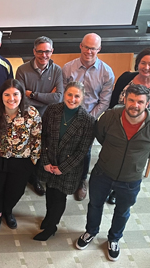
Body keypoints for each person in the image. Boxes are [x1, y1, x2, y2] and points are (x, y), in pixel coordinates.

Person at [76, 85, 150, 261]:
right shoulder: (110, 116)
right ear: (125, 99)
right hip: (103, 172)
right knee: (95, 204)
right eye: (131, 100)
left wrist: (135, 160)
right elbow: (100, 136)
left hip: (131, 178)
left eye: (140, 102)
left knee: (123, 210)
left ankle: (114, 238)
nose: (135, 105)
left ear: (147, 104)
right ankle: (91, 231)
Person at [33, 82, 95, 241]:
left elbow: (82, 150)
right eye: (69, 94)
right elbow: (43, 137)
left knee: (59, 198)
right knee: (50, 193)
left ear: (82, 98)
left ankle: (51, 227)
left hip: (68, 168)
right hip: (50, 161)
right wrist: (45, 161)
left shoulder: (88, 121)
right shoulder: (52, 110)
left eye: (76, 96)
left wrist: (62, 168)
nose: (72, 99)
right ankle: (48, 218)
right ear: (64, 94)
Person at [106, 47, 150, 204]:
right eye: (143, 63)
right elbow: (112, 104)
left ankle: (118, 190)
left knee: (131, 161)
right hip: (118, 127)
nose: (146, 67)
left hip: (143, 134)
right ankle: (107, 182)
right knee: (111, 158)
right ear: (138, 63)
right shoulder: (125, 78)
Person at [0, 79, 41, 236]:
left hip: (21, 161)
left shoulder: (32, 114)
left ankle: (7, 211)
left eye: (15, 94)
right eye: (6, 94)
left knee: (16, 191)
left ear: (22, 95)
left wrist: (34, 161)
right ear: (1, 96)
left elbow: (37, 138)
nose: (11, 98)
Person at [62, 33, 115, 201]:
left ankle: (81, 181)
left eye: (93, 48)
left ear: (99, 49)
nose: (89, 51)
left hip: (90, 118)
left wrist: (88, 119)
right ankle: (63, 175)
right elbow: (62, 95)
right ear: (80, 46)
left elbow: (104, 102)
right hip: (67, 114)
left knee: (84, 150)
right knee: (64, 146)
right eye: (86, 47)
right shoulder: (67, 68)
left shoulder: (106, 73)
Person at [16, 36, 63, 196]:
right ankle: (24, 176)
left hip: (48, 117)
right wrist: (46, 97)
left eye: (47, 51)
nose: (44, 55)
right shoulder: (22, 70)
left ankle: (36, 178)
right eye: (40, 51)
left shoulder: (57, 70)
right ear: (34, 51)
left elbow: (58, 97)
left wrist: (34, 94)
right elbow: (21, 97)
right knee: (26, 148)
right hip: (28, 117)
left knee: (41, 149)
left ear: (52, 51)